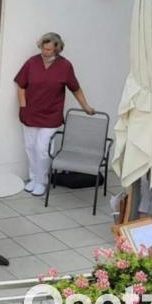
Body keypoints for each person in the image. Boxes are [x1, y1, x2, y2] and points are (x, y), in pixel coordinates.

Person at [15, 32, 94, 197]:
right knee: (30, 147)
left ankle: (42, 181)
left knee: (42, 148)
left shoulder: (65, 66)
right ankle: (33, 179)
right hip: (31, 113)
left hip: (51, 115)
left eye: (49, 49)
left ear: (57, 49)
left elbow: (75, 88)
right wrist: (23, 106)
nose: (45, 52)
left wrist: (85, 106)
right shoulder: (32, 62)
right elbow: (21, 85)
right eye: (44, 48)